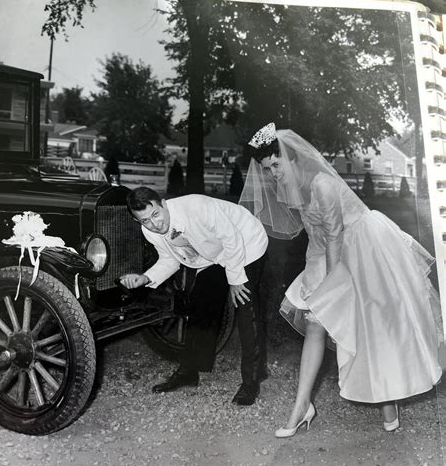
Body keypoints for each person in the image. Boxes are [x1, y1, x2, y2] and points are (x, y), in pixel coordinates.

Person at [239, 123, 443, 435]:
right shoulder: (289, 187)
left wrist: (333, 288)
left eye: (278, 165)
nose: (275, 173)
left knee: (376, 326)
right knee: (314, 322)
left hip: (366, 248)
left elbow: (335, 235)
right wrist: (313, 281)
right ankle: (301, 406)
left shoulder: (322, 184)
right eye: (268, 169)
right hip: (328, 251)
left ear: (293, 159)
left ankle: (388, 399)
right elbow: (316, 238)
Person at [121, 186, 268, 405]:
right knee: (201, 301)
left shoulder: (197, 206)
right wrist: (145, 278)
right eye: (145, 221)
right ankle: (189, 371)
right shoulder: (150, 231)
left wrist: (236, 280)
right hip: (213, 254)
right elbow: (170, 260)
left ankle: (252, 380)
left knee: (245, 307)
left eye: (155, 214)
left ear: (163, 203)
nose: (154, 224)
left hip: (245, 242)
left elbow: (232, 238)